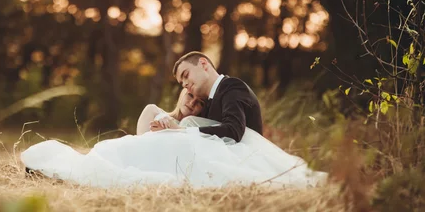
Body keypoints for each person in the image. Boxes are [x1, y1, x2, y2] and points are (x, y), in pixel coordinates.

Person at [20, 77, 327, 189]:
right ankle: (51, 169)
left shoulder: (195, 126)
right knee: (108, 154)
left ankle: (57, 171)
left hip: (168, 156)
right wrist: (161, 128)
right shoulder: (156, 111)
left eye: (198, 103)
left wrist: (177, 132)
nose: (193, 103)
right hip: (145, 147)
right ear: (181, 92)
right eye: (190, 96)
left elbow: (200, 145)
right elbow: (140, 140)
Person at [152, 51, 262, 142]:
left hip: (245, 158)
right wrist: (168, 121)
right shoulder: (205, 102)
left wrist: (181, 130)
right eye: (181, 83)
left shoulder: (232, 86)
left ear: (203, 64)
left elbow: (233, 131)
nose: (185, 84)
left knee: (188, 123)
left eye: (186, 75)